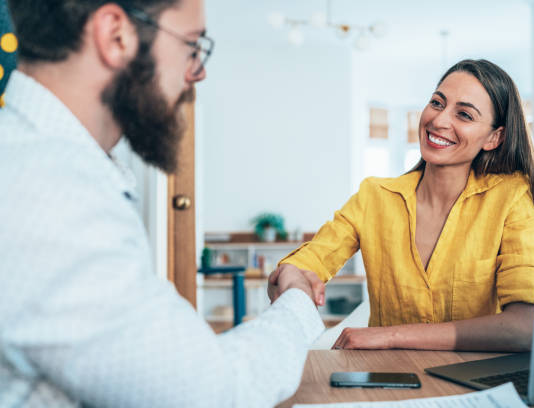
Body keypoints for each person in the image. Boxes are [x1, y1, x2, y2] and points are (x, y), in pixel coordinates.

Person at [0, 0, 326, 406]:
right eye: (192, 46)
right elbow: (213, 392)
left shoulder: (45, 162)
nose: (199, 72)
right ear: (116, 35)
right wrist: (296, 298)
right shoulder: (49, 193)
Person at [273, 59, 534, 353]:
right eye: (436, 102)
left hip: (472, 385)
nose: (440, 120)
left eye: (464, 115)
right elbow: (305, 265)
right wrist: (293, 277)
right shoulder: (374, 196)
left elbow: (524, 328)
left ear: (495, 137)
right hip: (387, 380)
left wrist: (391, 336)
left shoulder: (510, 198)